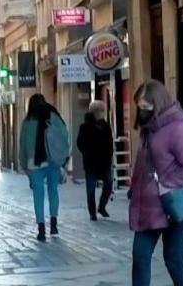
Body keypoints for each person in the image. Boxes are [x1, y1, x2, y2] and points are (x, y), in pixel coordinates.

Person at [129, 80, 183, 286]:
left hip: (176, 203)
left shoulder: (178, 127)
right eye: (139, 107)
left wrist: (164, 184)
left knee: (174, 259)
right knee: (140, 257)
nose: (141, 111)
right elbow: (144, 164)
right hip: (149, 205)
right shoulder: (148, 128)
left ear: (158, 103)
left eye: (145, 107)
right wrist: (135, 189)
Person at [19, 94, 70, 241]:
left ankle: (41, 229)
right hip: (53, 160)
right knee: (53, 190)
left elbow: (23, 146)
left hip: (34, 163)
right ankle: (54, 224)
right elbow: (64, 136)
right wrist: (64, 157)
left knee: (38, 195)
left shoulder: (27, 121)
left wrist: (24, 165)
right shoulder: (53, 116)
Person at [76, 101, 114, 221]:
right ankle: (92, 212)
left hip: (105, 161)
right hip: (91, 162)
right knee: (91, 188)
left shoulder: (105, 125)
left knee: (108, 184)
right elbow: (80, 142)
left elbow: (109, 142)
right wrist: (87, 152)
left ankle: (101, 207)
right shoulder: (85, 126)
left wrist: (109, 154)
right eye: (101, 110)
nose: (102, 113)